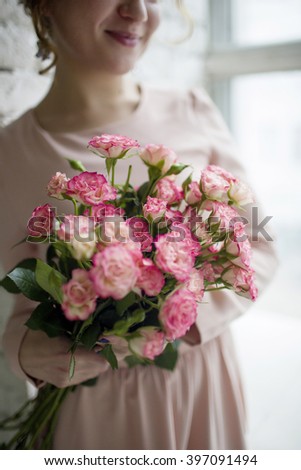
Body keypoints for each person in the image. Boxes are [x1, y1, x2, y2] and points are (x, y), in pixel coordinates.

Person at [0, 0, 277, 450]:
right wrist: (22, 352)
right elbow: (24, 303)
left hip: (199, 387)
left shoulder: (191, 109)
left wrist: (171, 320)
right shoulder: (10, 153)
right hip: (92, 413)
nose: (139, 11)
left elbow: (259, 246)